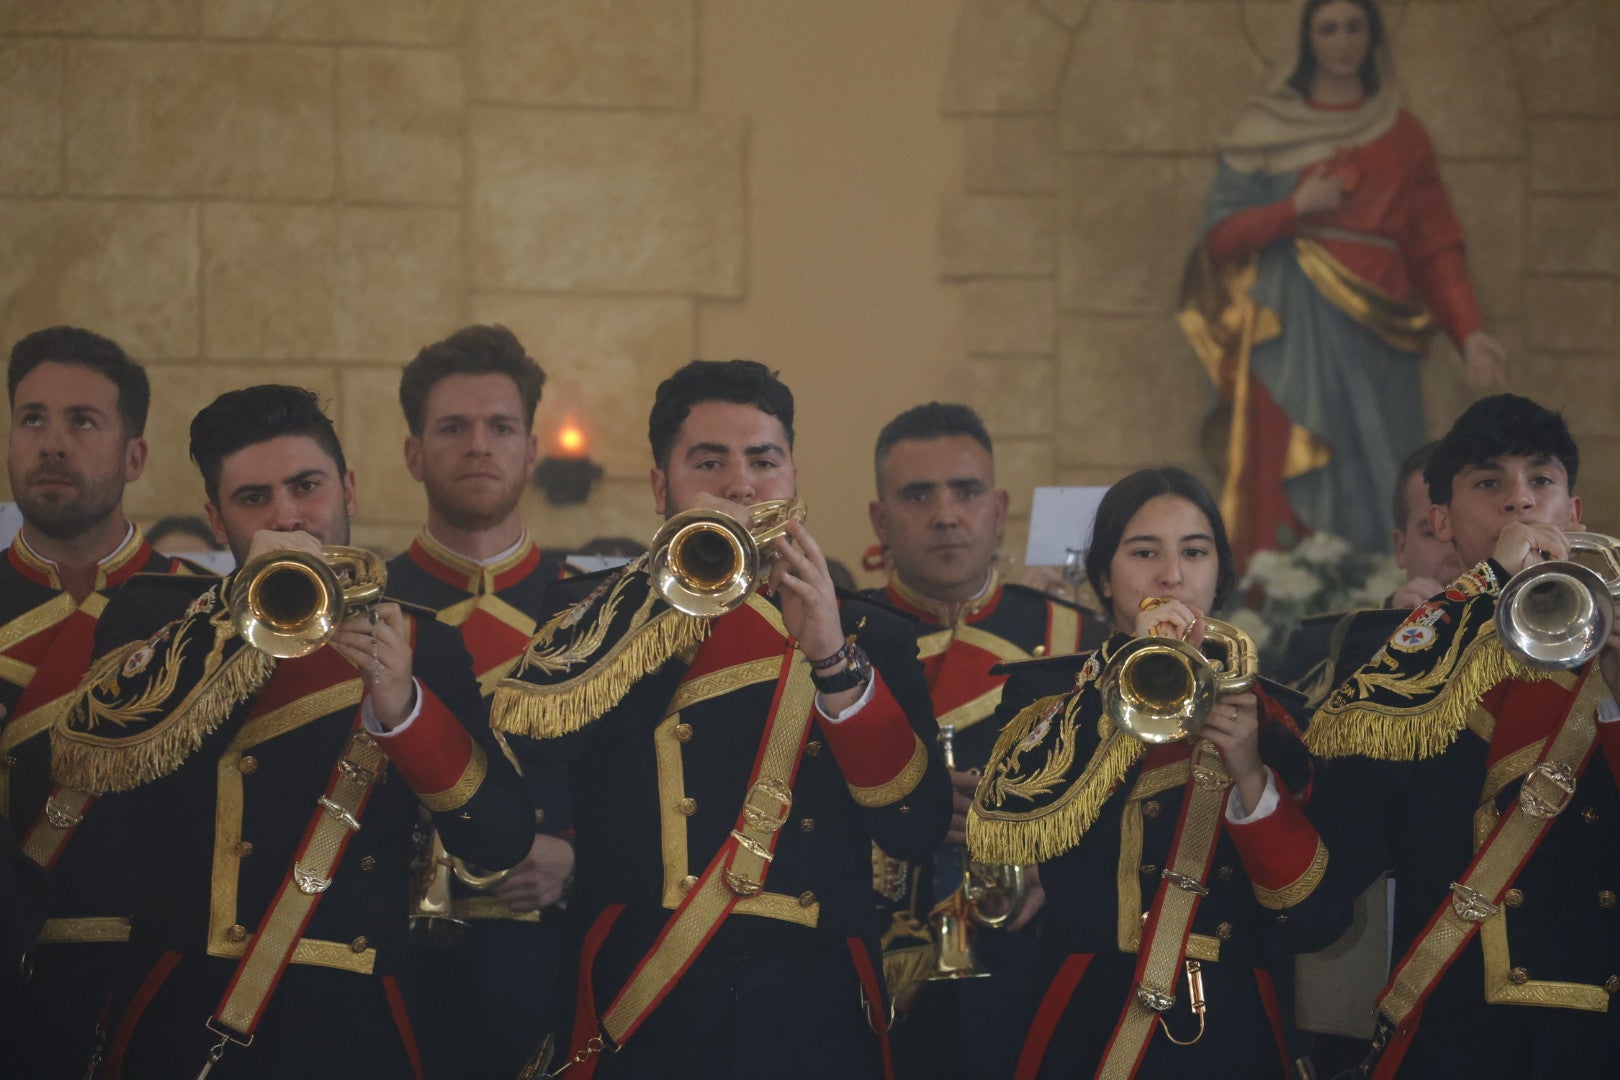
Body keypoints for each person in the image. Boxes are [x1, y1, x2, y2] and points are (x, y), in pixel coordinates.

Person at [51, 384, 534, 1079]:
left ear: (349, 490)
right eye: (254, 498)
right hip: (187, 1009)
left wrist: (403, 708)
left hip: (356, 1021)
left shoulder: (419, 639)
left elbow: (499, 837)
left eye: (307, 486)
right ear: (217, 520)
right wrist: (233, 614)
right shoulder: (154, 615)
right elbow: (94, 753)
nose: (286, 515)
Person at [493, 359, 952, 1079]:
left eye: (764, 461)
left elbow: (914, 827)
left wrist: (832, 657)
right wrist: (658, 594)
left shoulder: (870, 634)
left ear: (792, 479)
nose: (741, 485)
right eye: (710, 463)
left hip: (812, 1009)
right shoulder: (597, 611)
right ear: (661, 488)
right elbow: (535, 741)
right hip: (647, 998)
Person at [1266, 394, 1620, 1077]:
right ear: (1441, 521)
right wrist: (1486, 587)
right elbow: (1330, 873)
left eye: (1541, 479)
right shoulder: (1399, 657)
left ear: (1574, 513)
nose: (1519, 500)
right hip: (1454, 1035)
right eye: (1488, 482)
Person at [967, 467, 1324, 1079]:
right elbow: (1003, 824)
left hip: (1233, 1025)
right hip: (1090, 1015)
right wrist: (1115, 684)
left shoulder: (1274, 715)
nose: (1172, 575)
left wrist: (1247, 768)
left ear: (1220, 574)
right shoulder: (1048, 693)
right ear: (1105, 578)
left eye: (1195, 552)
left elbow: (1312, 912)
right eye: (1144, 552)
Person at [1179, 0, 1507, 564]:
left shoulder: (1402, 134)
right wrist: (1294, 208)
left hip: (1380, 331)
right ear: (1307, 39)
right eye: (1327, 28)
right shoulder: (1266, 129)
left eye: (1354, 27)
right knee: (1286, 459)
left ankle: (1386, 586)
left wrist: (1470, 333)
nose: (1342, 41)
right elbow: (1220, 239)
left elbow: (1435, 247)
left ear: (1373, 35)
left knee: (1383, 464)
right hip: (1287, 328)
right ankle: (1277, 587)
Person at [862, 402, 1099, 1080]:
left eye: (965, 492)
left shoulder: (1078, 637)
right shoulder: (838, 637)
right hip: (879, 973)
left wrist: (1056, 859)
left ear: (998, 510)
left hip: (1039, 965)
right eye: (918, 494)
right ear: (879, 520)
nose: (945, 515)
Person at [0, 326, 196, 1079]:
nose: (52, 443)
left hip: (164, 981)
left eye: (82, 421)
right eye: (32, 419)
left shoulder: (203, 608)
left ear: (134, 456)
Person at [387, 325, 573, 1079]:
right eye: (452, 428)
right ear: (413, 454)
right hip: (398, 962)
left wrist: (577, 856)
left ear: (531, 450)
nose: (477, 446)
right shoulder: (369, 604)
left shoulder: (593, 607)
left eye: (500, 427)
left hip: (555, 958)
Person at [1278, 441, 1465, 700]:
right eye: (1432, 532)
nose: (1455, 552)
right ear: (1401, 547)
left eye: (1467, 529)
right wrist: (1385, 638)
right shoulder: (1326, 642)